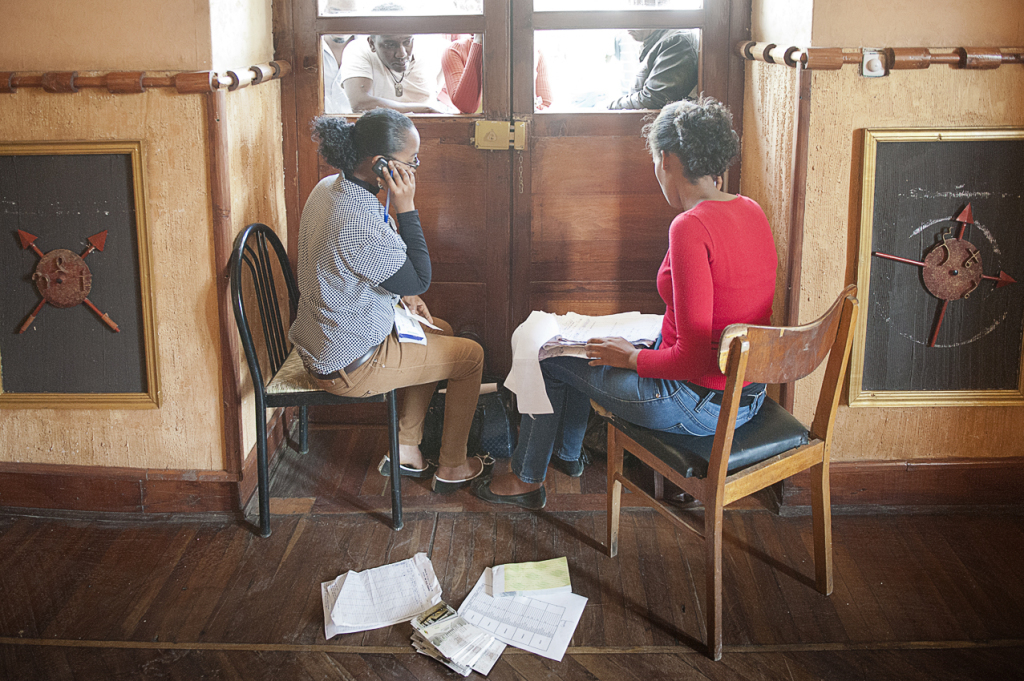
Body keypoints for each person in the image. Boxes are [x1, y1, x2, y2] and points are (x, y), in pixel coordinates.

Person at [473, 97, 777, 510]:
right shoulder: (750, 209)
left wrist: (631, 359)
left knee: (548, 357)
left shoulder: (690, 226)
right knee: (590, 351)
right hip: (749, 393)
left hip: (697, 402)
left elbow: (689, 360)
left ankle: (528, 478)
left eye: (655, 159)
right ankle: (567, 455)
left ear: (667, 158)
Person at [289, 109, 488, 493]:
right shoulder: (355, 220)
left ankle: (406, 449)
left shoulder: (331, 187)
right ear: (380, 164)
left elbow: (378, 270)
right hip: (349, 363)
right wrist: (406, 205)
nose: (414, 168)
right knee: (471, 357)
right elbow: (420, 277)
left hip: (328, 335)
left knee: (441, 330)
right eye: (410, 162)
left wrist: (405, 295)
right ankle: (453, 466)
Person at [339, 7, 446, 114]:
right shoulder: (358, 50)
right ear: (372, 44)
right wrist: (425, 109)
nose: (401, 54)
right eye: (390, 45)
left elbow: (441, 75)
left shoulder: (433, 48)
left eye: (407, 42)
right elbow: (360, 104)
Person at [440, 34, 553, 113]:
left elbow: (546, 103)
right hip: (472, 136)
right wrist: (479, 41)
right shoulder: (455, 50)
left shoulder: (534, 51)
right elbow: (467, 107)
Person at [607, 29, 699, 110]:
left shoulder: (676, 41)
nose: (627, 27)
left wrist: (611, 105)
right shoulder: (661, 41)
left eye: (631, 17)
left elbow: (653, 99)